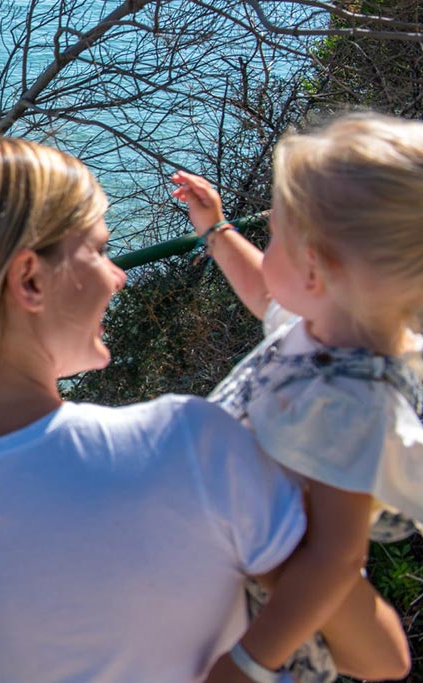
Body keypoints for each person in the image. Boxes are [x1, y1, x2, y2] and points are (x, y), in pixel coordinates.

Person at [0, 114, 407, 683]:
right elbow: (380, 657)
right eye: (98, 250)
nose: (118, 274)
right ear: (30, 280)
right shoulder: (189, 448)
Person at [172, 111, 422, 683]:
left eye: (276, 236)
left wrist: (247, 664)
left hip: (263, 619)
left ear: (316, 270)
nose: (269, 247)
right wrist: (216, 230)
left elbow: (335, 557)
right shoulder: (324, 326)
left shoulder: (351, 400)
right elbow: (267, 293)